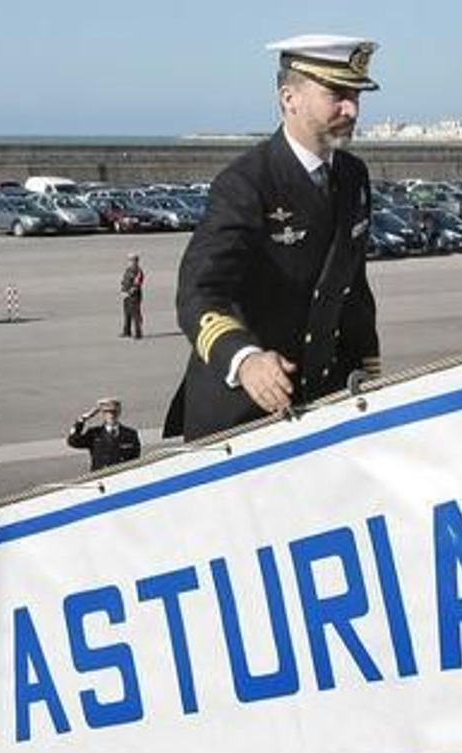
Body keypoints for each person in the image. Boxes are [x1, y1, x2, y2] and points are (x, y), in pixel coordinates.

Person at [163, 34, 382, 441]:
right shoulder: (246, 183)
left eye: (356, 95)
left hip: (322, 403)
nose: (351, 108)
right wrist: (244, 360)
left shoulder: (354, 176)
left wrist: (368, 375)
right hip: (240, 415)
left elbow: (352, 289)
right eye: (336, 94)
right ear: (289, 97)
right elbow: (198, 292)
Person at [66, 397, 142, 471]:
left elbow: (135, 460)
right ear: (102, 414)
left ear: (119, 412)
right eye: (107, 412)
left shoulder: (130, 434)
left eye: (114, 412)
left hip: (121, 477)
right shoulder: (94, 433)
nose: (111, 416)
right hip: (100, 478)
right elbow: (72, 441)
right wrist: (82, 419)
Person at [119, 252, 144, 339]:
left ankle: (138, 333)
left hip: (134, 296)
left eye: (132, 260)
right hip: (126, 295)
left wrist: (129, 292)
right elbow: (124, 281)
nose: (130, 262)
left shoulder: (138, 272)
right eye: (129, 260)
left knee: (136, 314)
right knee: (127, 314)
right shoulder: (128, 270)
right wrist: (122, 291)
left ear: (136, 261)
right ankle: (127, 331)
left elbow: (137, 284)